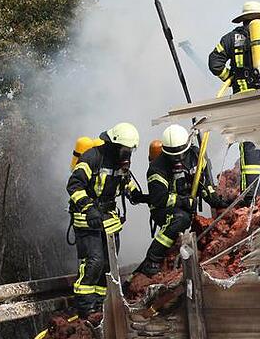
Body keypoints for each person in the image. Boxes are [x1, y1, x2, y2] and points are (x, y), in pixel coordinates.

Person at [208, 1, 260, 203]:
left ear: (243, 20)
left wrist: (231, 77)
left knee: (250, 145)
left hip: (246, 102)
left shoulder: (231, 39)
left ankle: (253, 194)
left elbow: (214, 62)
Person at [67, 123, 143, 318]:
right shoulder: (92, 157)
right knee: (94, 262)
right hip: (88, 221)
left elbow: (126, 182)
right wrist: (89, 208)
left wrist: (140, 196)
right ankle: (85, 308)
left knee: (109, 265)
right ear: (114, 145)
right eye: (126, 150)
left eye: (131, 150)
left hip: (109, 220)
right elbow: (74, 186)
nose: (128, 154)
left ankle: (100, 305)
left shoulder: (121, 163)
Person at [135, 124, 230, 276]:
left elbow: (204, 185)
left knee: (186, 219)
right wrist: (183, 201)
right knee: (181, 219)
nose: (178, 159)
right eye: (173, 156)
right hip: (164, 209)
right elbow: (159, 199)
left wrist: (215, 201)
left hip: (187, 205)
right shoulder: (157, 168)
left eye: (181, 154)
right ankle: (153, 258)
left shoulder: (197, 157)